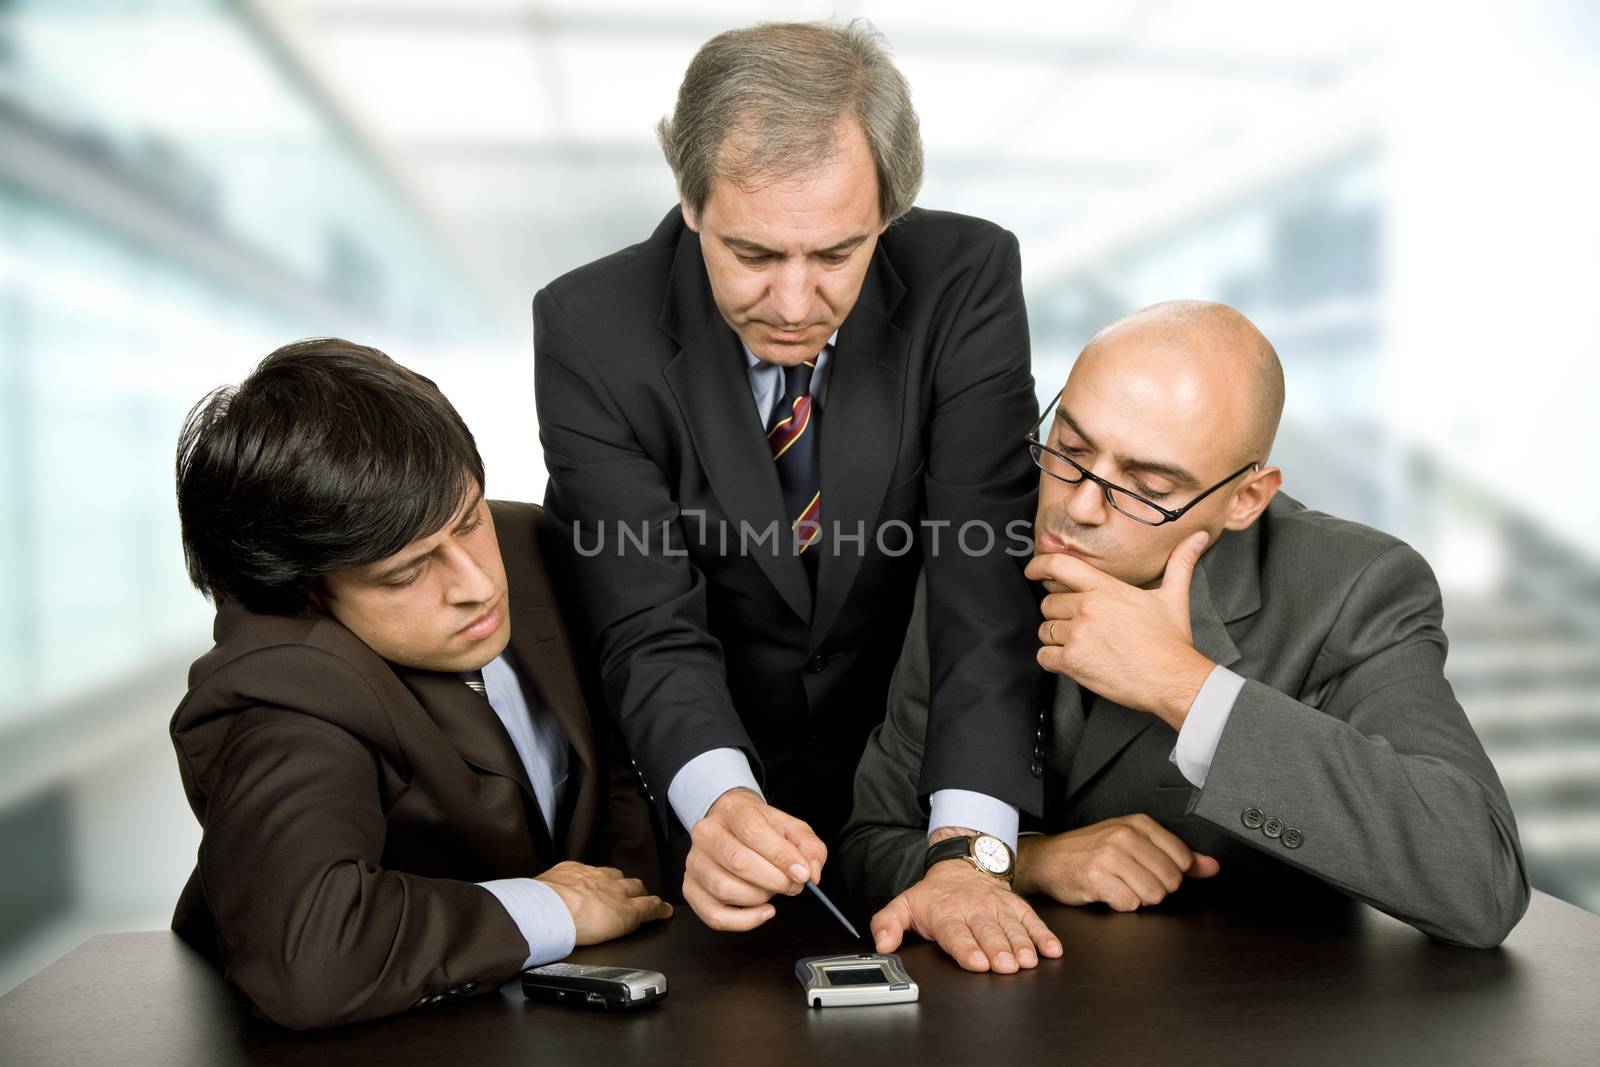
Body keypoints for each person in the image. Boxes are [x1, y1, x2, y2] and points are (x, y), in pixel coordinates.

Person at [838, 301, 1531, 971]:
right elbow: (869, 843)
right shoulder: (986, 544)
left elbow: (1480, 881)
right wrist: (1031, 862)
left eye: (1144, 486)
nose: (1076, 507)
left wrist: (1186, 687)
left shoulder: (1351, 589)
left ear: (1245, 500)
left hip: (1261, 1018)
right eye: (1071, 448)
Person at [534, 20, 1041, 932]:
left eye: (838, 255)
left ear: (887, 212)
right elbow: (645, 620)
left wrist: (968, 850)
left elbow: (985, 582)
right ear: (690, 202)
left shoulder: (967, 278)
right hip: (698, 813)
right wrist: (718, 802)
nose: (796, 305)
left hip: (910, 783)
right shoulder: (589, 329)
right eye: (755, 255)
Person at [169, 339, 671, 1030]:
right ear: (308, 591)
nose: (476, 585)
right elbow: (312, 954)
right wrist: (551, 907)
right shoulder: (280, 687)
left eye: (469, 519)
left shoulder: (529, 541)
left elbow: (611, 753)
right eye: (407, 573)